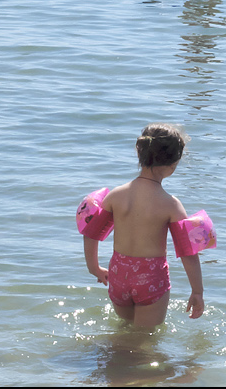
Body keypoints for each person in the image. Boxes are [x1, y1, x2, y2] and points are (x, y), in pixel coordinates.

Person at [83, 124, 207, 328]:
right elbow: (188, 252)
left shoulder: (116, 195)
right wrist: (197, 292)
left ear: (140, 154)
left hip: (118, 274)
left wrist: (94, 268)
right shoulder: (171, 204)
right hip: (150, 277)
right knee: (144, 341)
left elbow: (91, 233)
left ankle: (115, 358)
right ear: (173, 165)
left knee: (124, 330)